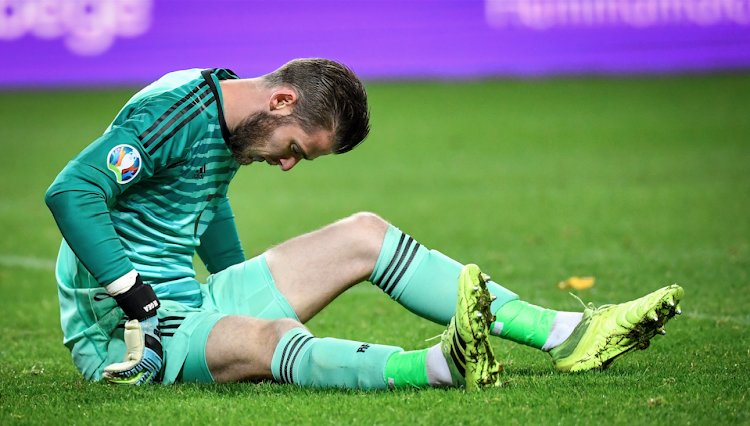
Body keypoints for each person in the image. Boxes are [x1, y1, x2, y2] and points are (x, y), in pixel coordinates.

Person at [45, 58, 683, 391]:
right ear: (282, 100)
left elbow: (204, 202)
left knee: (364, 232)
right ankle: (438, 367)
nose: (290, 165)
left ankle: (568, 332)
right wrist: (130, 289)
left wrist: (236, 279)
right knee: (272, 336)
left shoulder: (226, 116)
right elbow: (72, 192)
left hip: (186, 304)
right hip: (132, 336)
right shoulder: (175, 111)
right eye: (297, 147)